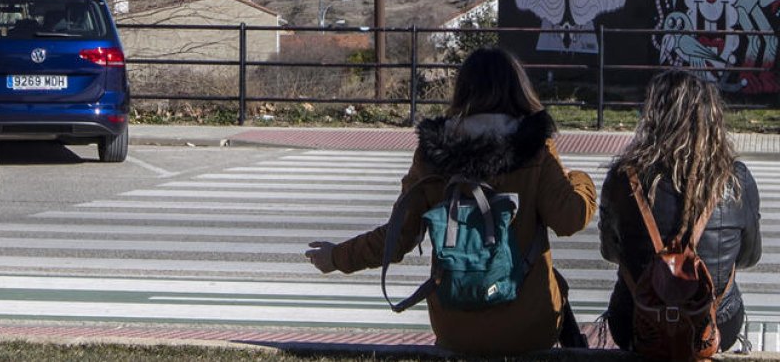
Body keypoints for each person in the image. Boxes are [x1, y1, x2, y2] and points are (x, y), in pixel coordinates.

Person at [305, 47, 597, 355]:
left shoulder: (432, 154)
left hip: (455, 328)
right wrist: (580, 178)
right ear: (519, 89)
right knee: (552, 283)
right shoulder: (534, 147)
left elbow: (398, 237)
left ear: (462, 90)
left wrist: (336, 257)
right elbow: (571, 218)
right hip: (528, 327)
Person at [598, 69, 761, 352]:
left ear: (653, 117)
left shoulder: (624, 178)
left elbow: (610, 253)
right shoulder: (735, 179)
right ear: (712, 118)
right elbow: (749, 257)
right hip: (714, 324)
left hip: (636, 320)